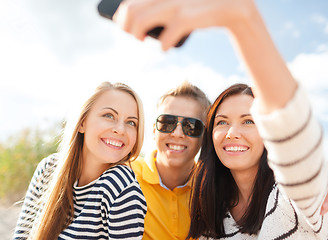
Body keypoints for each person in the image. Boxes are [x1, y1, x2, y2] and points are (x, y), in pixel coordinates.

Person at [113, 0, 328, 238]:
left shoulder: (294, 196)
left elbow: (290, 127)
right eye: (222, 121)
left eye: (249, 120)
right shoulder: (212, 213)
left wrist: (242, 19)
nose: (232, 132)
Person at [14, 82, 147, 240]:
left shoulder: (120, 187)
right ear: (82, 122)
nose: (121, 129)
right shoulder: (48, 169)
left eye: (131, 122)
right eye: (109, 116)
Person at [131, 81, 210, 239]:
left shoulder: (211, 191)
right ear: (154, 130)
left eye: (191, 126)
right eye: (167, 122)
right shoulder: (125, 176)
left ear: (204, 136)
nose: (177, 133)